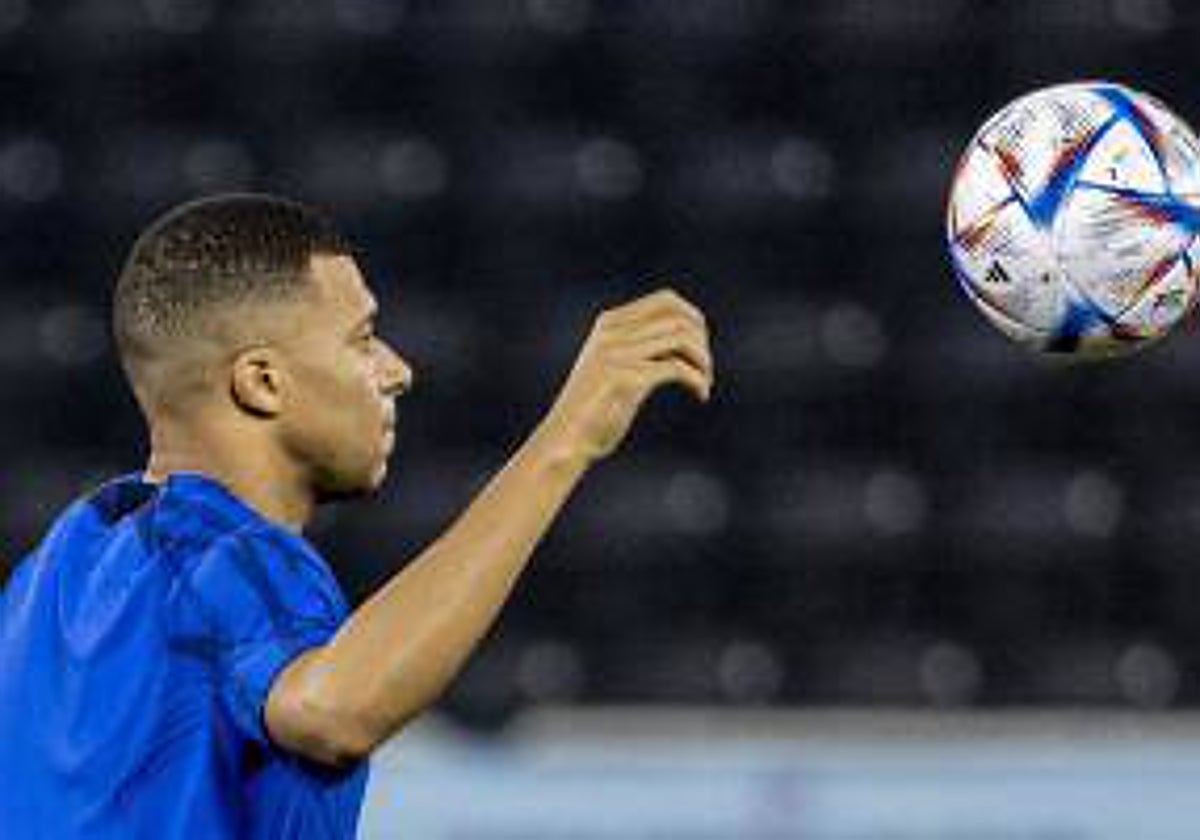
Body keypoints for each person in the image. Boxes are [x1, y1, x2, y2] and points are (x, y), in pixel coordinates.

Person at [0, 193, 714, 838]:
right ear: (262, 382)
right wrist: (567, 439)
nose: (397, 369)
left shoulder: (53, 573)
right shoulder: (234, 554)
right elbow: (333, 712)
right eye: (362, 338)